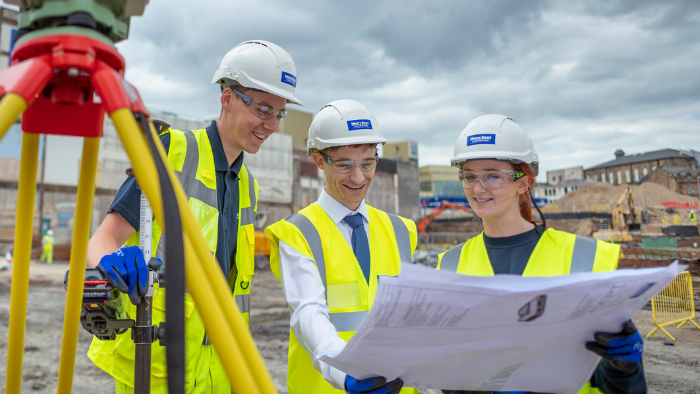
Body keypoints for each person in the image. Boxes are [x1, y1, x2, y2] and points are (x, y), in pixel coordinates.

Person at [85, 40, 304, 393]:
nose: (272, 125)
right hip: (155, 366)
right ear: (228, 98)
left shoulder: (247, 184)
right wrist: (115, 263)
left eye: (279, 114)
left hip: (219, 370)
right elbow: (102, 241)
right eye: (264, 109)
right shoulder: (172, 151)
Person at [437, 114, 646, 394]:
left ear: (524, 183)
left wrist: (623, 368)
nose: (478, 188)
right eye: (470, 177)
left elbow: (621, 386)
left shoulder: (586, 258)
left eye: (493, 177)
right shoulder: (450, 264)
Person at [266, 100, 416, 394]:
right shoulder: (298, 232)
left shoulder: (402, 230)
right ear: (320, 161)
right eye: (345, 165)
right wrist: (345, 372)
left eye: (367, 163)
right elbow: (309, 311)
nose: (359, 177)